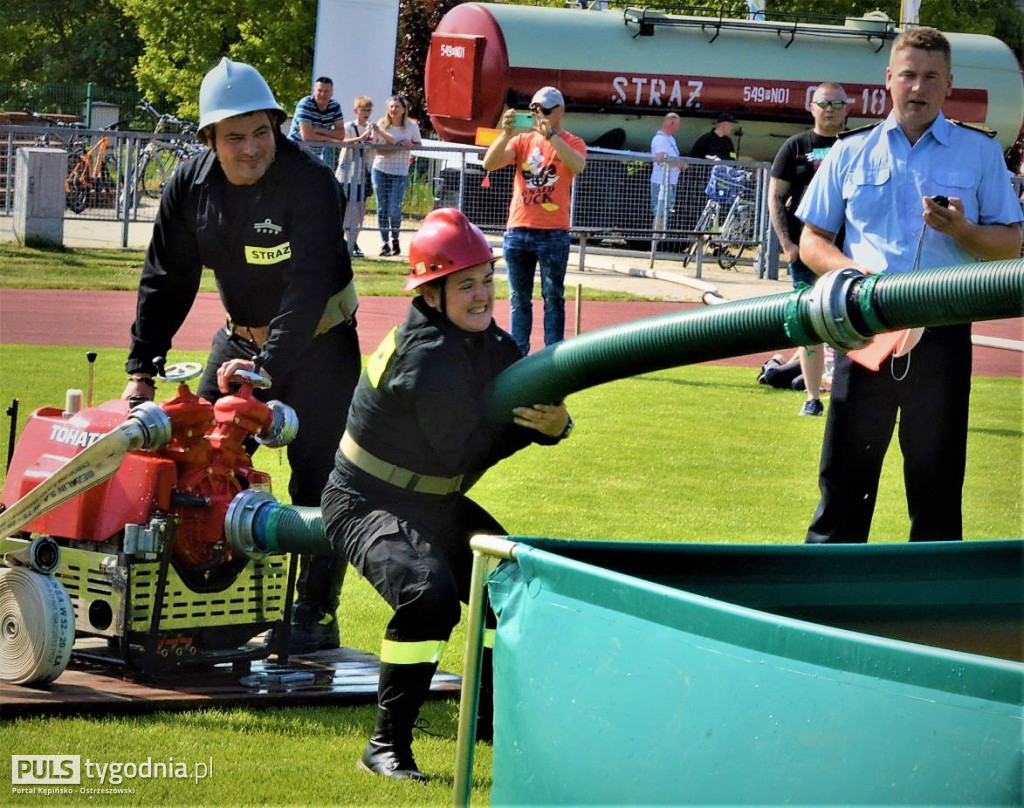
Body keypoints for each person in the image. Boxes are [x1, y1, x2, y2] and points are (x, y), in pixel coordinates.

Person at [322, 208, 574, 782]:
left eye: (488, 278)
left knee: (507, 585)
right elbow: (462, 452)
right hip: (365, 499)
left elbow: (531, 397)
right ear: (431, 293)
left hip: (430, 497)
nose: (484, 294)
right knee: (428, 596)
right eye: (467, 284)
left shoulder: (481, 338)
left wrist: (558, 424)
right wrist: (535, 430)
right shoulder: (426, 352)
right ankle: (386, 744)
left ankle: (487, 717)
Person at [121, 57, 362, 651]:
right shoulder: (188, 186)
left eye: (263, 132)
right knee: (193, 467)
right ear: (208, 139)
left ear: (277, 126)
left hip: (319, 348)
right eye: (235, 136)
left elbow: (308, 290)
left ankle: (315, 612)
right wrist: (142, 369)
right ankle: (194, 607)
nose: (252, 147)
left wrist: (269, 370)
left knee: (319, 481)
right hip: (237, 346)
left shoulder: (311, 184)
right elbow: (166, 280)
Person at [796, 27, 1023, 543]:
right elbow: (812, 240)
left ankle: (934, 612)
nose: (917, 88)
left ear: (949, 85)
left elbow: (1011, 245)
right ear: (888, 80)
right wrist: (852, 277)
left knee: (937, 489)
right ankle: (826, 595)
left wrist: (963, 231)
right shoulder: (850, 151)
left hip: (940, 333)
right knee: (843, 482)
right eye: (908, 75)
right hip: (864, 329)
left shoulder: (980, 153)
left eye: (930, 77)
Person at [482, 86, 587, 356]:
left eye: (545, 111)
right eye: (535, 110)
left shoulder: (572, 141)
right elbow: (489, 164)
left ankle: (553, 355)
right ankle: (519, 356)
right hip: (518, 231)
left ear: (560, 111)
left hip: (553, 233)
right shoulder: (522, 141)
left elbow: (577, 165)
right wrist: (505, 134)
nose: (539, 115)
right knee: (519, 299)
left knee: (553, 298)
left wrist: (551, 136)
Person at [768, 82, 850, 416]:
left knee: (849, 323)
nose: (830, 109)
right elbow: (775, 196)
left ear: (847, 108)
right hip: (804, 252)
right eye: (823, 103)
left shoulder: (856, 145)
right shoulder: (795, 146)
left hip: (847, 254)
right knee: (809, 324)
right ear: (811, 107)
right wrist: (787, 244)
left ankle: (847, 395)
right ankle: (813, 398)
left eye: (837, 103)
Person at [371, 95, 421, 257]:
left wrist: (410, 145)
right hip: (380, 169)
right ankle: (384, 242)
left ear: (404, 110)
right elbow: (377, 149)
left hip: (399, 172)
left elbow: (418, 144)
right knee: (381, 208)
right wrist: (394, 148)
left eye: (397, 107)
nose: (393, 110)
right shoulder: (381, 125)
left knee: (394, 208)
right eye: (391, 107)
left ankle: (395, 238)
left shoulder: (411, 127)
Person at [336, 95, 377, 258]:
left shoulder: (371, 128)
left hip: (362, 173)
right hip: (346, 174)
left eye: (368, 110)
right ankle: (343, 242)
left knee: (360, 210)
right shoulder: (350, 126)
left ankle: (354, 243)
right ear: (356, 111)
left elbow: (372, 148)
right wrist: (360, 139)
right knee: (345, 209)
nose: (366, 113)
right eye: (363, 110)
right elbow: (344, 141)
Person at [287, 76, 346, 164]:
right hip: (294, 152)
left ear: (331, 93)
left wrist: (319, 130)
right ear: (314, 91)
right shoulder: (305, 104)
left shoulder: (335, 106)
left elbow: (341, 134)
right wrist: (330, 140)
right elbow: (307, 136)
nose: (322, 94)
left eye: (326, 91)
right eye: (319, 90)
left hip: (314, 156)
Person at [650, 112, 685, 228]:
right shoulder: (660, 140)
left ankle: (659, 239)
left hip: (669, 182)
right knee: (659, 212)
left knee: (665, 213)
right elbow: (661, 160)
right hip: (662, 183)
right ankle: (655, 241)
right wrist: (679, 164)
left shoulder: (670, 139)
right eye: (677, 124)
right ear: (671, 123)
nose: (678, 128)